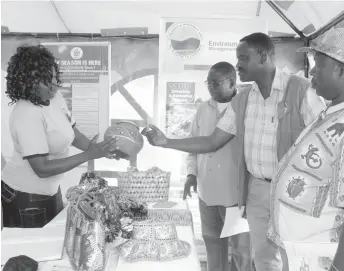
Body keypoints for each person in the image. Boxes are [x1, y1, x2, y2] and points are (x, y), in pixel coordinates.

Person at [142, 32, 326, 271]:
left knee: (295, 258)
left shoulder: (302, 91)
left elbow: (325, 144)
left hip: (294, 191)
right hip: (258, 190)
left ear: (263, 56)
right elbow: (212, 141)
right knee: (264, 259)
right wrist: (166, 142)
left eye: (243, 58)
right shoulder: (244, 100)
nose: (237, 64)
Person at [1, 45, 122, 228]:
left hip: (50, 191)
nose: (54, 85)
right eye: (45, 81)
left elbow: (72, 134)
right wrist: (89, 155)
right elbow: (41, 168)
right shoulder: (26, 113)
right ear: (26, 83)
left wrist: (101, 150)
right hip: (24, 196)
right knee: (35, 253)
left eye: (54, 77)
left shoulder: (55, 98)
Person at [267, 26, 344, 271]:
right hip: (302, 253)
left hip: (322, 258)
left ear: (341, 70)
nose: (313, 75)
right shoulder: (331, 114)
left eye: (318, 66)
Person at [184, 62, 252, 271]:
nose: (210, 87)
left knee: (241, 251)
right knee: (213, 244)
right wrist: (191, 174)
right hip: (207, 192)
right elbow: (193, 143)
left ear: (232, 82)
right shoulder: (203, 109)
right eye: (208, 82)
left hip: (235, 196)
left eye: (215, 82)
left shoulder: (246, 107)